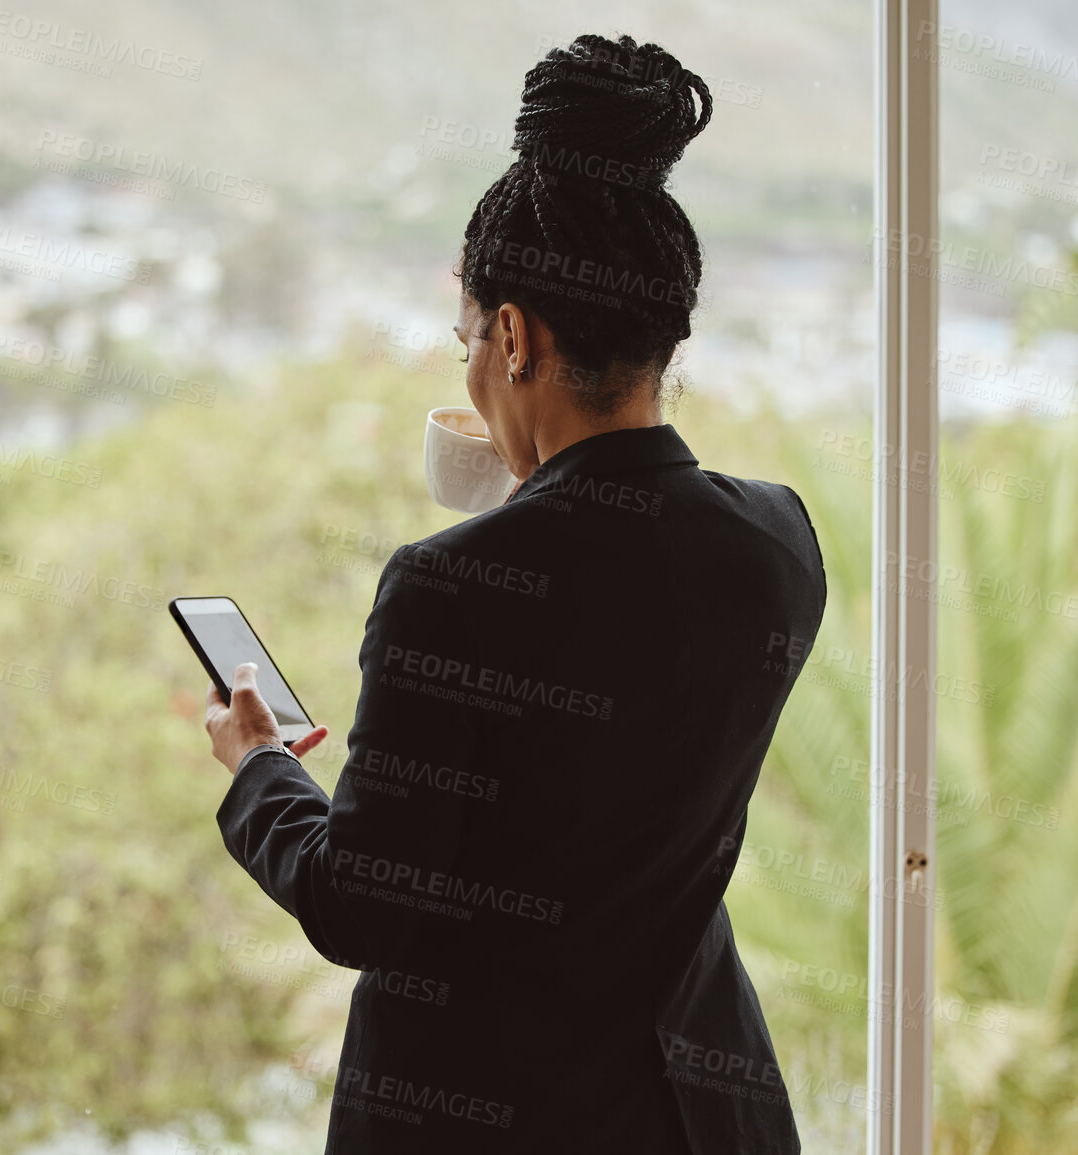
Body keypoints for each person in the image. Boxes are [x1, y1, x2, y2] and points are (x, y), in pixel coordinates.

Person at [201, 33, 826, 1154]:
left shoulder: (448, 590)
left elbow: (362, 906)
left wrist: (258, 771)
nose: (475, 380)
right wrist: (543, 489)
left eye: (469, 350)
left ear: (513, 336)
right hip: (699, 1110)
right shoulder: (778, 543)